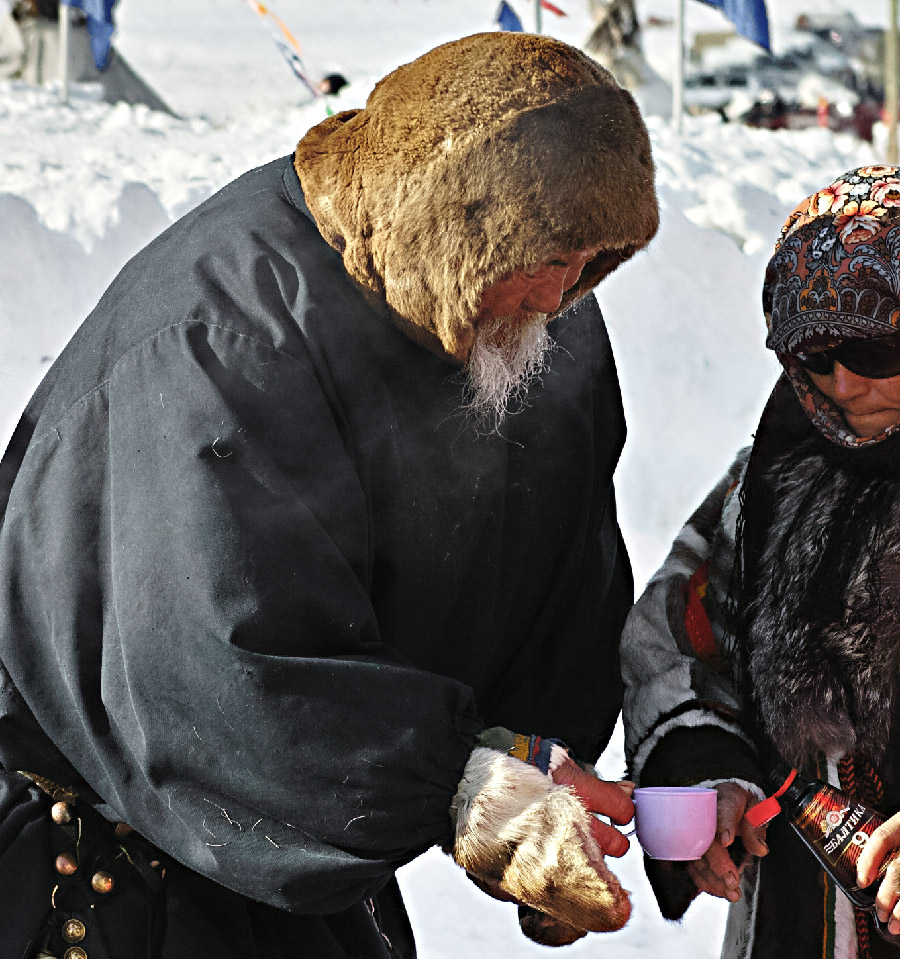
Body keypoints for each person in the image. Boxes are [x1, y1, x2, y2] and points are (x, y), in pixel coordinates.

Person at [0, 31, 659, 959]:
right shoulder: (221, 339)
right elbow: (214, 672)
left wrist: (546, 782)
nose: (559, 293)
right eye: (544, 254)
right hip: (108, 863)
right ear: (456, 229)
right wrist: (461, 784)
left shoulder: (534, 331)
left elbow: (559, 578)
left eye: (591, 258)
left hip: (299, 883)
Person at [620, 165, 900, 958]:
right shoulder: (780, 467)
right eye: (814, 355)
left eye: (876, 349)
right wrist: (712, 773)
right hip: (799, 896)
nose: (843, 385)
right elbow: (681, 629)